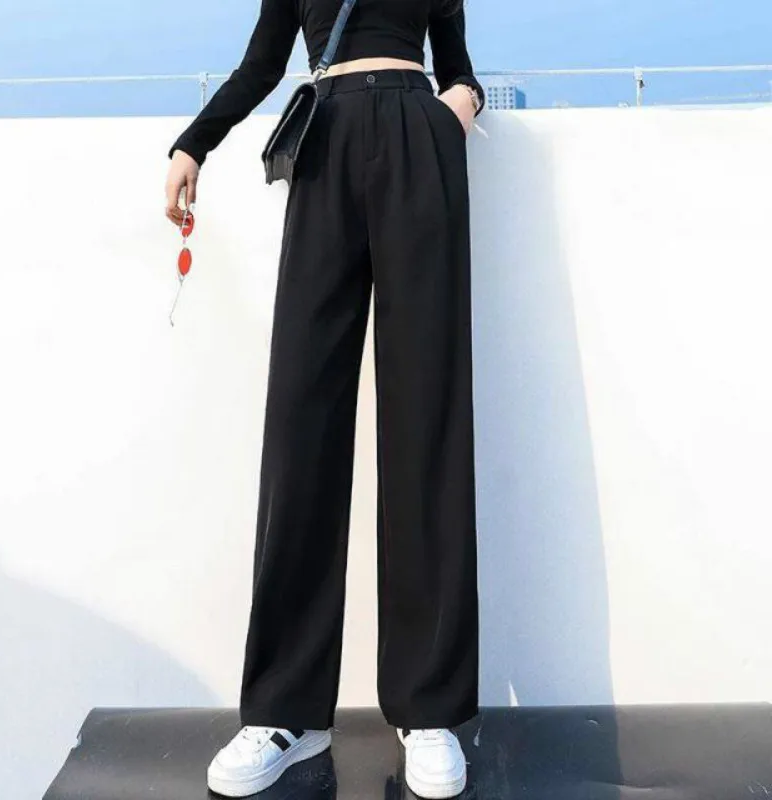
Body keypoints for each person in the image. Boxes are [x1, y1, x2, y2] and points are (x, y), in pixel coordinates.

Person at [164, 1, 485, 797]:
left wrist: (452, 111)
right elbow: (262, 63)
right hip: (326, 142)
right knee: (300, 423)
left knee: (427, 419)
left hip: (418, 139)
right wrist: (193, 142)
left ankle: (429, 708)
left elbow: (459, 66)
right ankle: (286, 711)